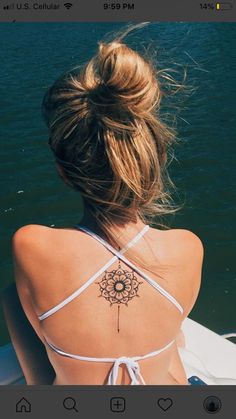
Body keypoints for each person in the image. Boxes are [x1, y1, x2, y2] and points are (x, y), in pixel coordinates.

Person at [12, 34, 203, 385]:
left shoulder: (30, 244)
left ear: (63, 173)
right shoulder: (188, 248)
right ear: (156, 160)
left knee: (13, 294)